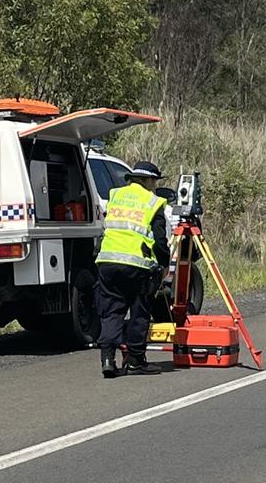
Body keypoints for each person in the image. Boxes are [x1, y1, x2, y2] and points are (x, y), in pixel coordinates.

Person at [95, 161, 170, 378]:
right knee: (139, 313)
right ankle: (136, 361)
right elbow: (160, 241)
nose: (155, 185)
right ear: (147, 180)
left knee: (111, 312)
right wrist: (164, 264)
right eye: (154, 181)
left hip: (107, 263)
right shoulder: (153, 202)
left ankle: (108, 359)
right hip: (137, 266)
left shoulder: (116, 196)